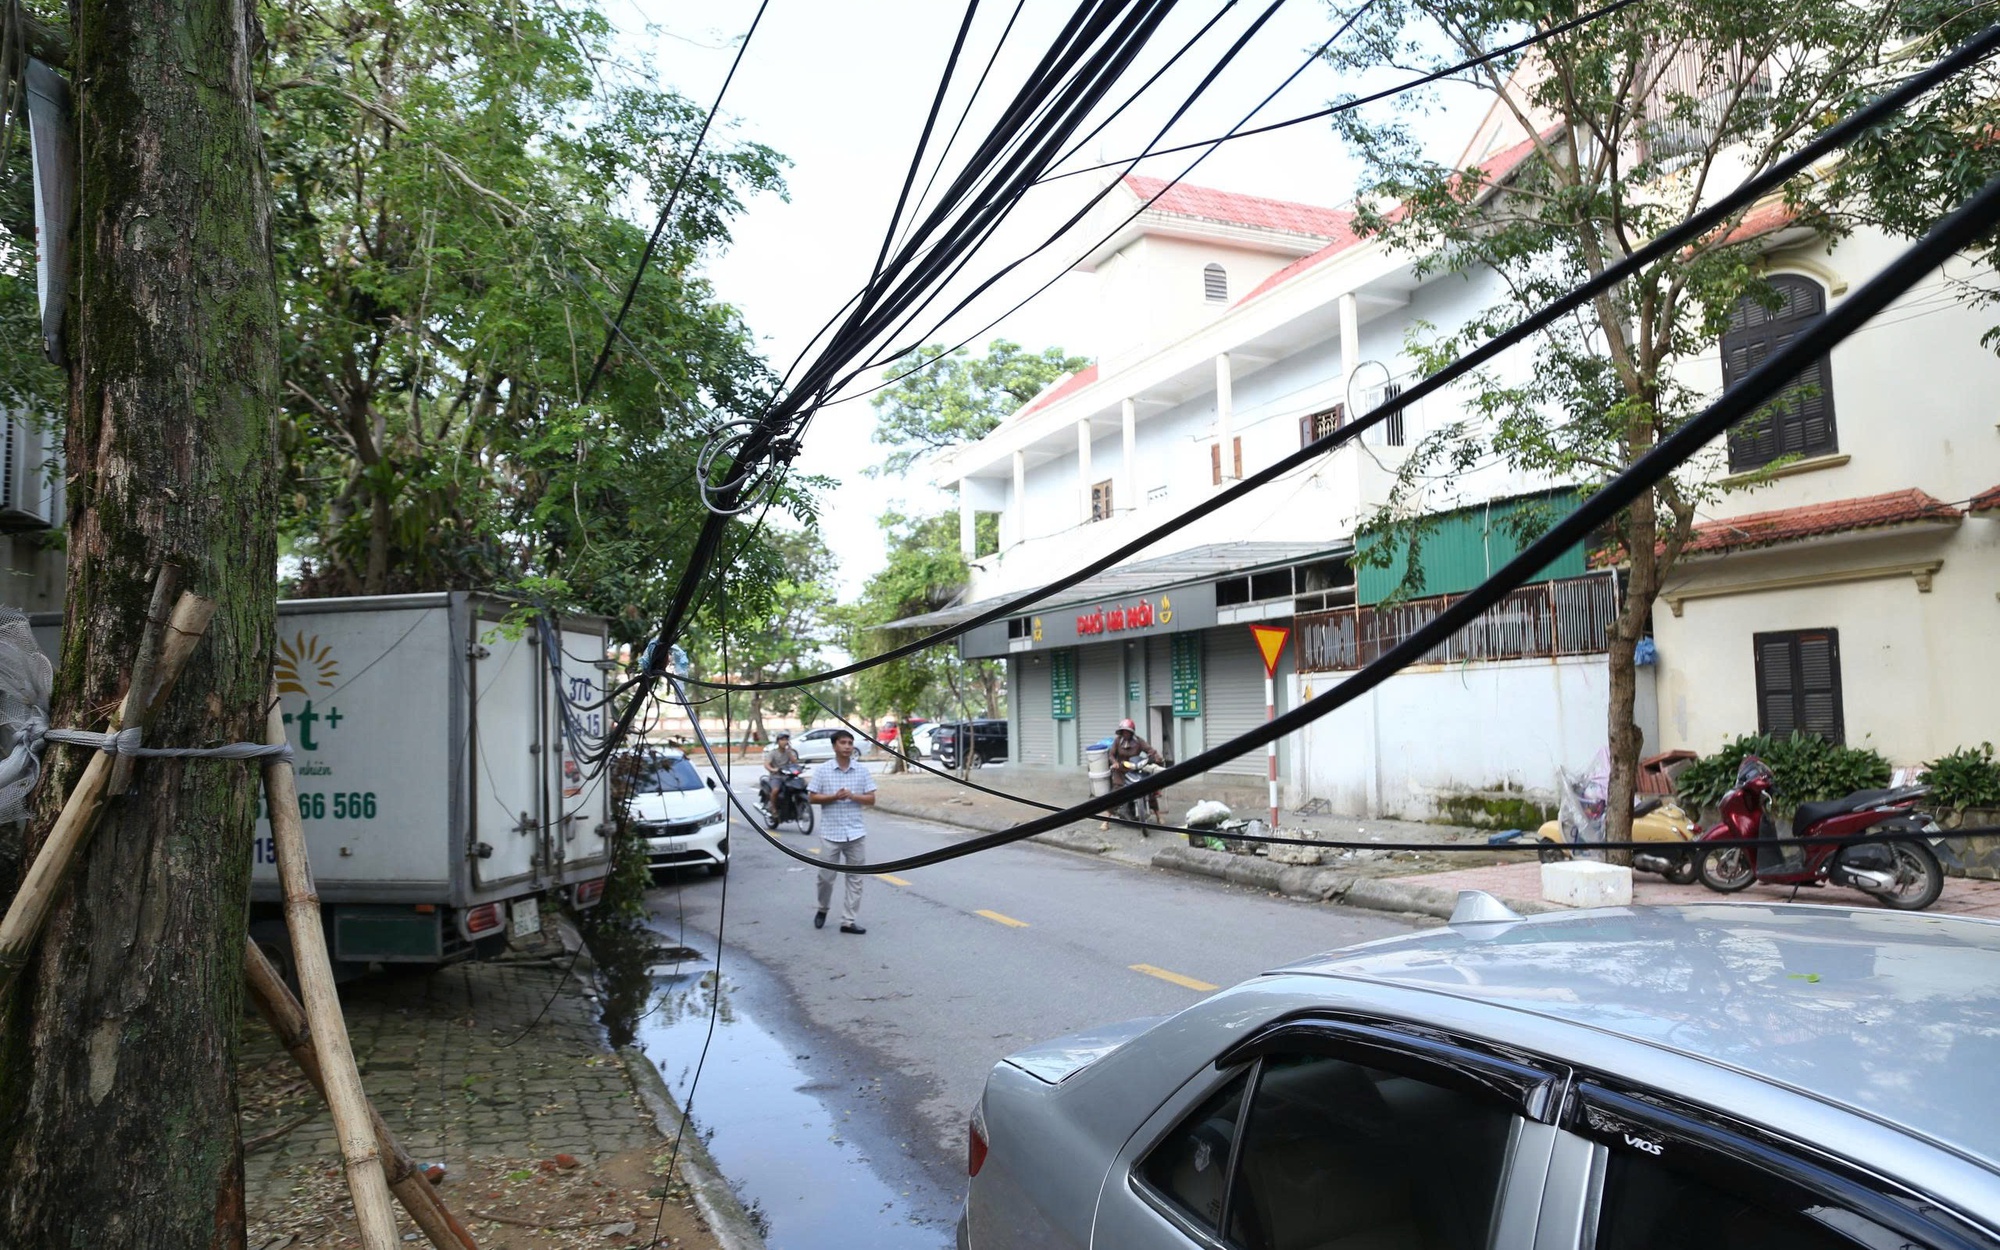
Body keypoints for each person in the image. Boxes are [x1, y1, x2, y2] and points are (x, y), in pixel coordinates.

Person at [808, 729, 876, 934]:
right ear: (834, 746)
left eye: (850, 743)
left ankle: (848, 920)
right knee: (826, 878)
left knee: (856, 878)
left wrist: (853, 796)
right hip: (831, 833)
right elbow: (812, 797)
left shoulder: (862, 771)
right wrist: (833, 797)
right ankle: (822, 908)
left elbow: (871, 799)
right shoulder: (823, 770)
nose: (847, 746)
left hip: (855, 832)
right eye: (843, 743)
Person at [1104, 718, 1162, 833]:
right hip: (1121, 770)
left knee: (1149, 788)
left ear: (1131, 732)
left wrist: (1156, 757)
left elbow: (1150, 750)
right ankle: (1106, 820)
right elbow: (1111, 755)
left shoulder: (1139, 741)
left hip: (1136, 769)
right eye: (1123, 731)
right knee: (1116, 791)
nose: (1125, 733)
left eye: (1127, 731)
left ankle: (1159, 816)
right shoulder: (1117, 741)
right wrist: (1115, 763)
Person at [760, 730, 800, 819]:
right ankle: (773, 808)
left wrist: (789, 752)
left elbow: (795, 763)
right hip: (776, 776)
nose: (784, 741)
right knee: (776, 790)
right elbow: (766, 764)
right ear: (778, 741)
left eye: (786, 739)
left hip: (788, 776)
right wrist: (773, 769)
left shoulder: (789, 752)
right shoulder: (773, 753)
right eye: (782, 739)